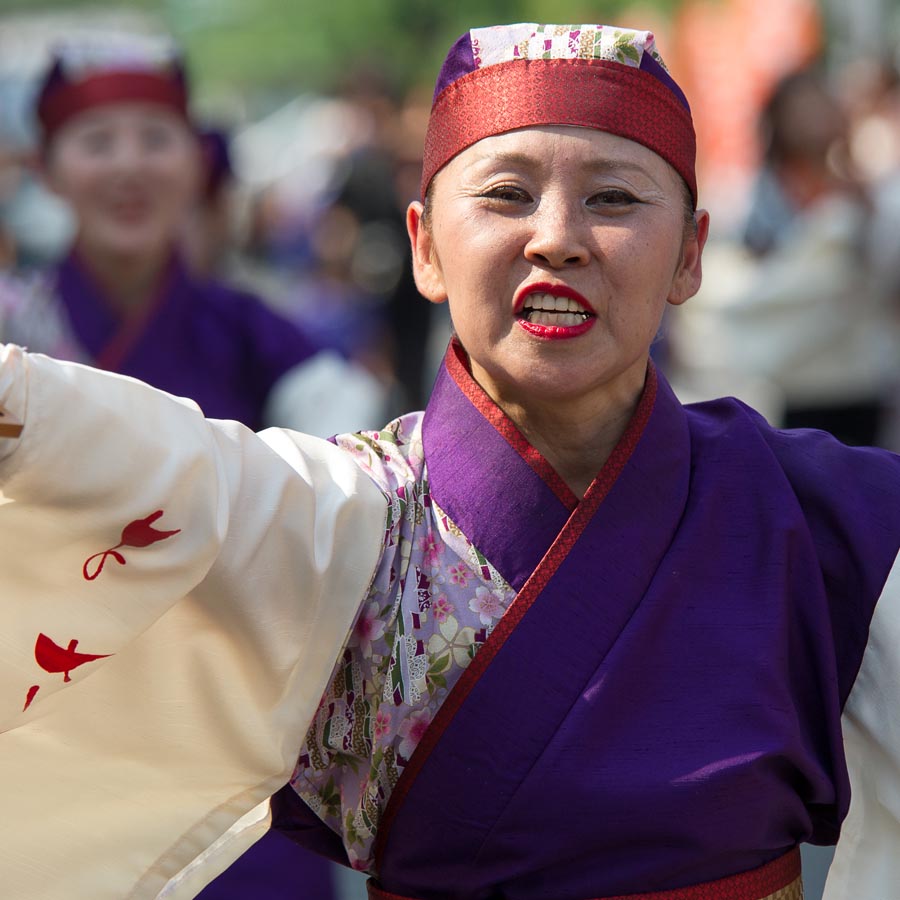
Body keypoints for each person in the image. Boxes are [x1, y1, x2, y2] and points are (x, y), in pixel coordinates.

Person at [0, 21, 898, 900]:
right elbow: (178, 473)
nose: (557, 236)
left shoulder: (817, 518)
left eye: (615, 199)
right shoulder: (348, 515)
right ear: (425, 246)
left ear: (691, 253)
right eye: (507, 194)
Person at [0, 33, 384, 436]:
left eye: (156, 138)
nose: (129, 166)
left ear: (198, 162)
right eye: (98, 143)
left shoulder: (248, 332)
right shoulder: (10, 324)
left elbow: (340, 425)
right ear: (46, 169)